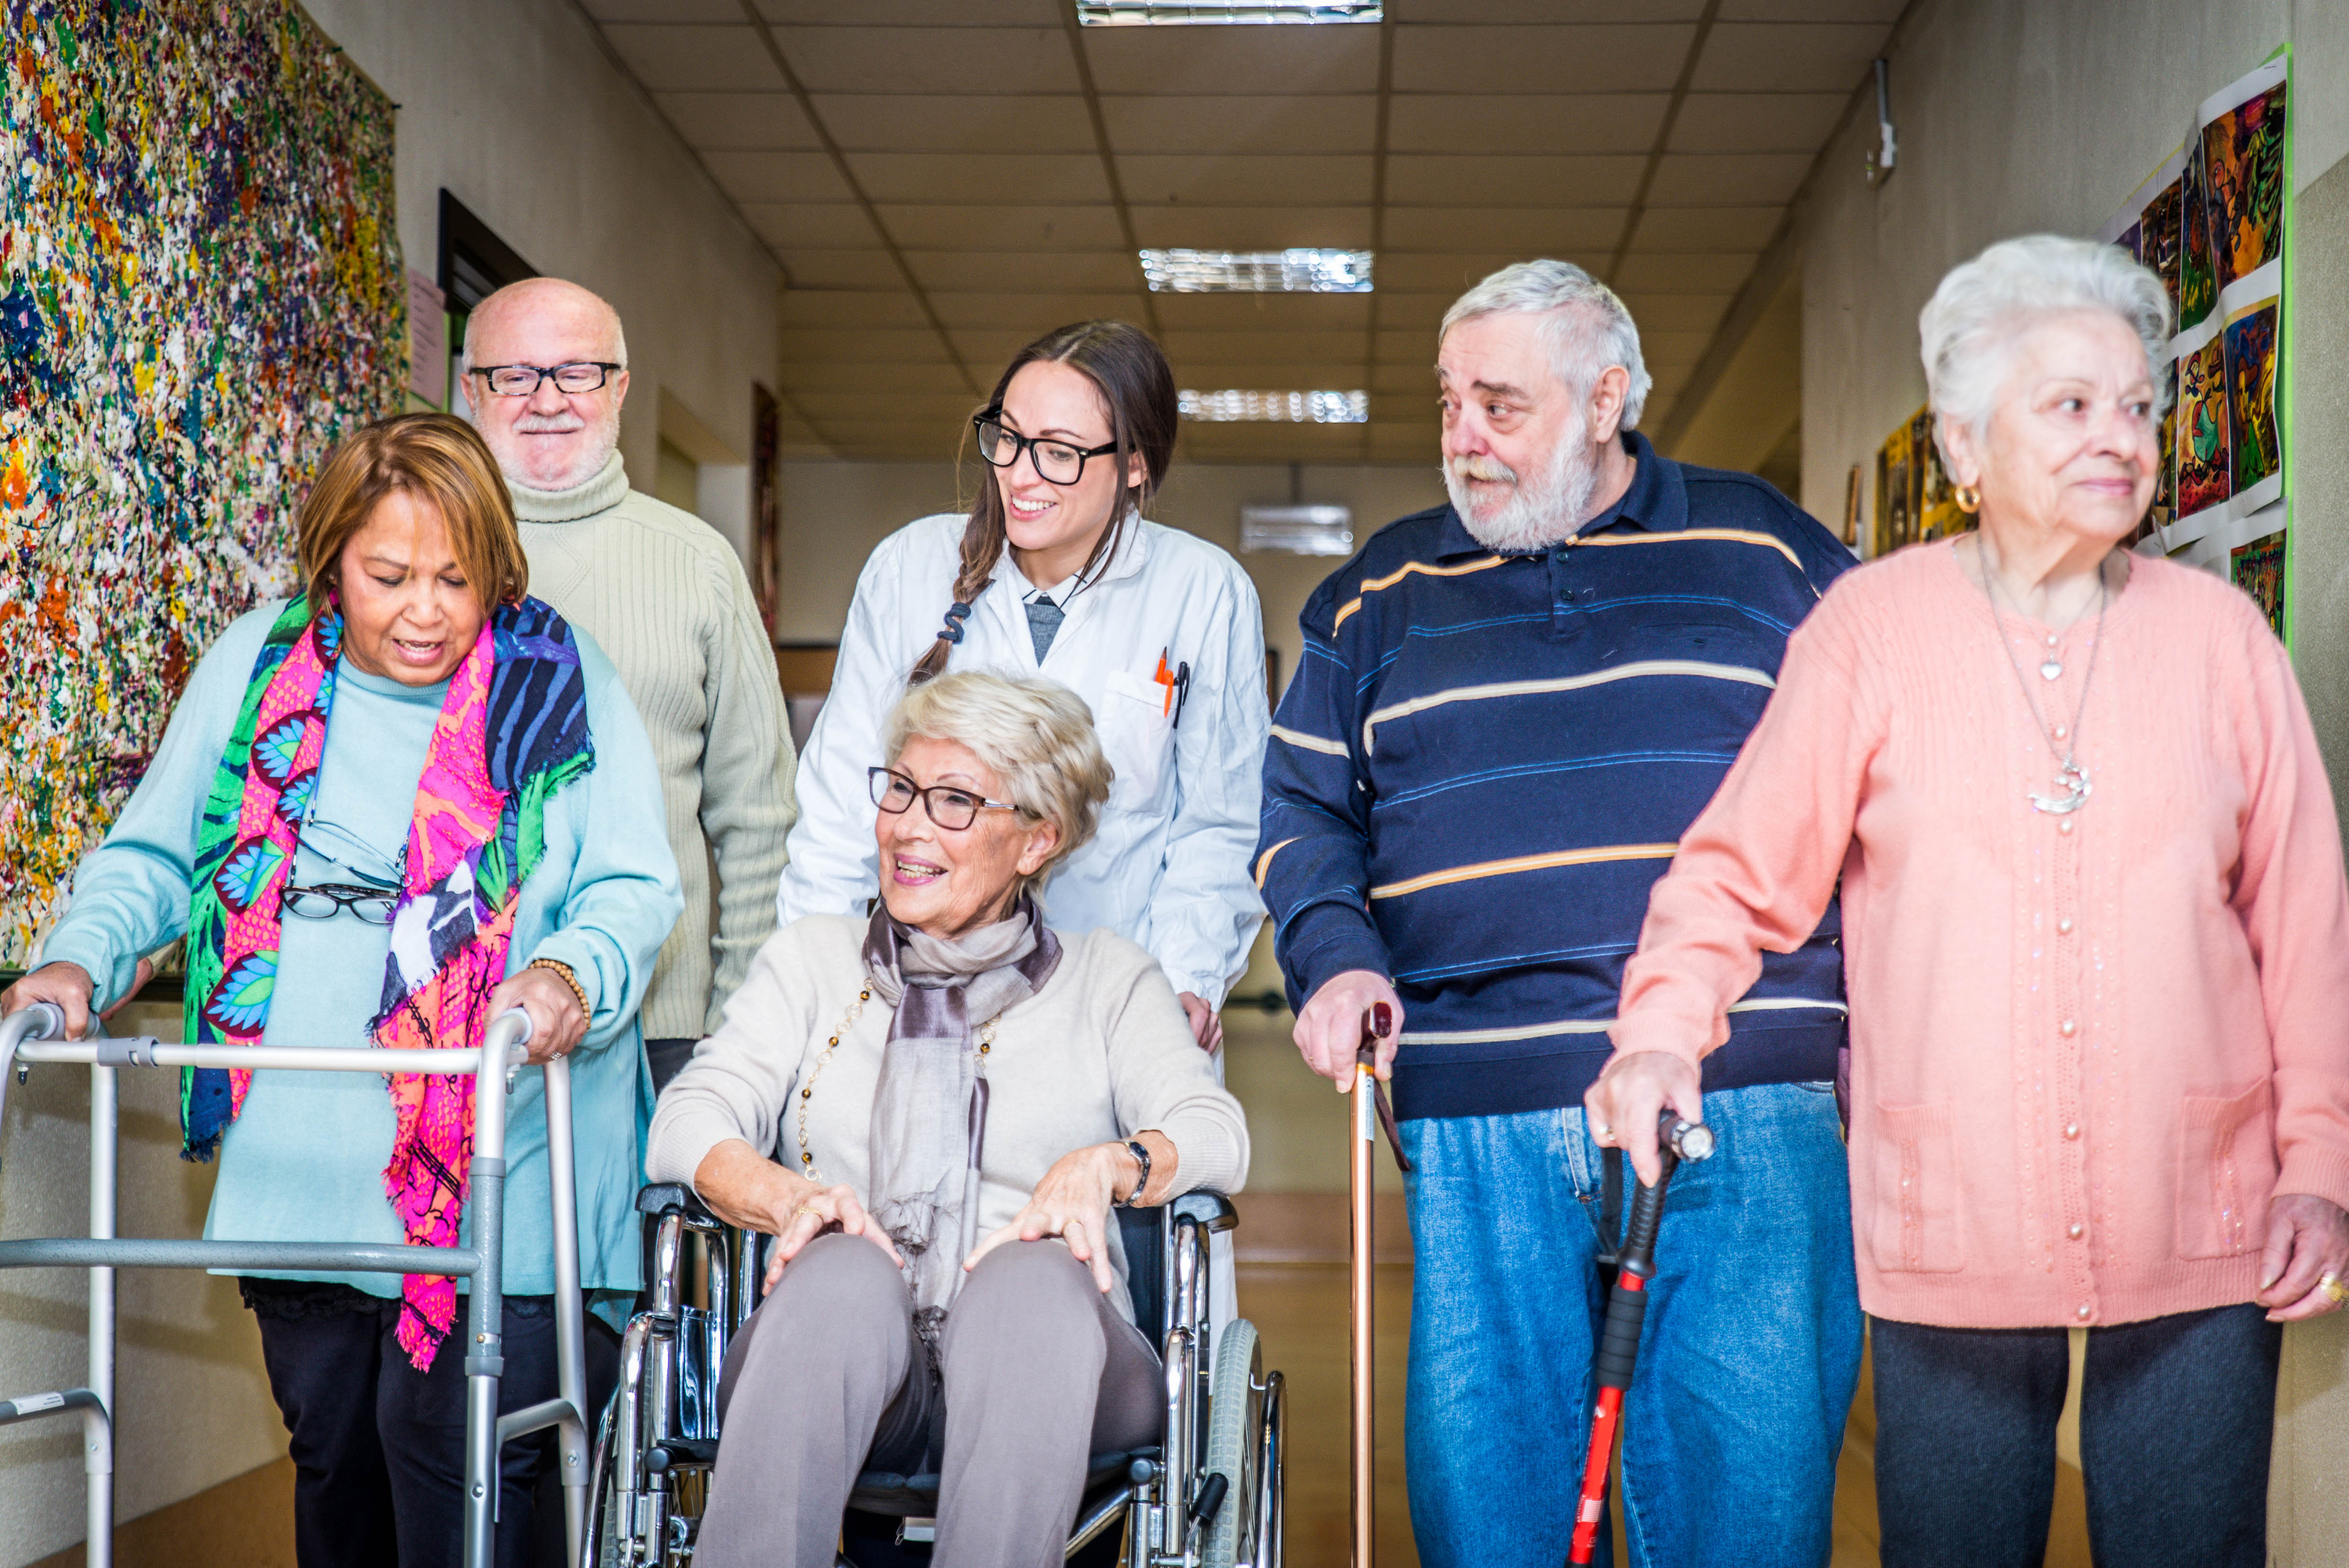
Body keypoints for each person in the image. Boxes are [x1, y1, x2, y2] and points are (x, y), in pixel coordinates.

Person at [1597, 234, 2349, 1568]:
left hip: (2205, 1205)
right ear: (1961, 443)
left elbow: (2305, 930)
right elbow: (1735, 871)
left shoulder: (2222, 639)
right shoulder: (1870, 632)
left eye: (2138, 403)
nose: (2120, 434)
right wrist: (1661, 1029)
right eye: (2070, 404)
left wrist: (2322, 1165)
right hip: (1953, 1214)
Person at [1257, 260, 1859, 1568]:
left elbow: (1879, 788)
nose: (1463, 435)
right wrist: (1334, 959)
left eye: (1501, 403)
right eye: (1448, 400)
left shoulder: (1767, 552)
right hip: (1478, 1105)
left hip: (1738, 1089)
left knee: (1749, 1512)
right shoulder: (1375, 595)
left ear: (1607, 397)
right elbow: (1304, 813)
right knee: (1491, 1519)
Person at [2, 413, 682, 1567]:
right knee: (335, 1460)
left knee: (453, 1462)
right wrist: (80, 961)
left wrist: (570, 974)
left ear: (497, 568)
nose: (426, 609)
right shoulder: (260, 666)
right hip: (304, 1165)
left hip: (496, 1163)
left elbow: (632, 885)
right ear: (332, 565)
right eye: (389, 576)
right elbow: (159, 859)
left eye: (457, 578)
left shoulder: (559, 682)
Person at [648, 670, 1248, 1568]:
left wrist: (1107, 1166)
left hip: (1056, 1372)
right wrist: (784, 1198)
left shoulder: (1108, 980)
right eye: (900, 788)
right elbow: (688, 1115)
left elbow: (1216, 1130)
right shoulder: (814, 961)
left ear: (1038, 838)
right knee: (842, 1268)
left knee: (1034, 1277)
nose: (909, 826)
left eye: (956, 801)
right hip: (851, 1362)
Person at [777, 320, 1266, 1057]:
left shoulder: (1203, 592)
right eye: (1007, 437)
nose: (1021, 473)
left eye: (1060, 453)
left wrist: (1182, 984)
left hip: (1120, 1011)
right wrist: (810, 982)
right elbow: (842, 804)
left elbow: (1220, 826)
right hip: (927, 1004)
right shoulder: (909, 568)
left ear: (1134, 465)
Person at [463, 276, 794, 1092]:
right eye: (515, 374)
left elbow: (758, 820)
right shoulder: (415, 568)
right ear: (470, 391)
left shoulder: (701, 563)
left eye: (576, 372)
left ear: (619, 386)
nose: (548, 399)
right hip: (454, 1023)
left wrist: (737, 1028)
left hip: (665, 1031)